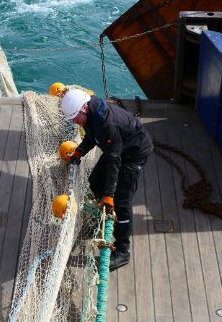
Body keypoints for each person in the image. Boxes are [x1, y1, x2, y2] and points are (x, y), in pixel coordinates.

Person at [61, 89, 153, 271]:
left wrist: (110, 194)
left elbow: (113, 161)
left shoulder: (108, 124)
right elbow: (91, 135)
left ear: (84, 108)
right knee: (95, 181)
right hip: (118, 149)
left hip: (133, 154)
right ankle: (101, 217)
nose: (73, 121)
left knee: (121, 202)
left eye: (74, 117)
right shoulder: (90, 114)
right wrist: (80, 151)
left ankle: (122, 252)